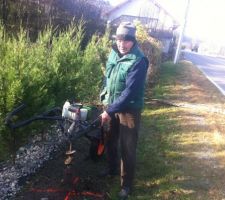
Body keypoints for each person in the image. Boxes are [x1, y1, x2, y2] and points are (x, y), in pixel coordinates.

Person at [100, 22, 149, 199]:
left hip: (129, 109)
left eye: (126, 40)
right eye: (119, 39)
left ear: (133, 41)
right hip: (112, 105)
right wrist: (105, 97)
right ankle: (112, 169)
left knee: (127, 147)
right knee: (110, 140)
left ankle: (126, 185)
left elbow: (129, 93)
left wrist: (109, 110)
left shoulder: (138, 61)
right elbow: (108, 77)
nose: (122, 44)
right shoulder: (114, 53)